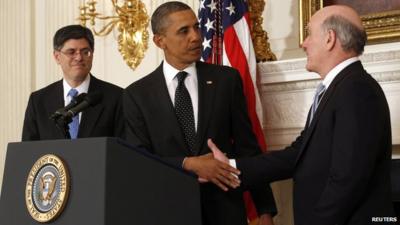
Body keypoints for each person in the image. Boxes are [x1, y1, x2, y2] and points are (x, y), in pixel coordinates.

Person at [209, 5, 397, 225]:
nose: (303, 43)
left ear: (330, 39)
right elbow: (298, 154)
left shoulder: (357, 90)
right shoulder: (338, 88)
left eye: (309, 34)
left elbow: (348, 180)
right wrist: (231, 167)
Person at [122, 2, 276, 225]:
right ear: (159, 41)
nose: (195, 37)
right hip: (168, 211)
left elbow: (248, 148)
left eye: (196, 27)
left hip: (225, 211)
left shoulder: (227, 80)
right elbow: (138, 160)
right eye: (183, 31)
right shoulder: (136, 95)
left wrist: (265, 209)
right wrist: (188, 164)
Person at [22, 25, 124, 141]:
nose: (79, 57)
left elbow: (122, 150)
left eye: (86, 52)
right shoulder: (39, 101)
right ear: (57, 57)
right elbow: (28, 152)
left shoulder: (116, 97)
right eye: (71, 52)